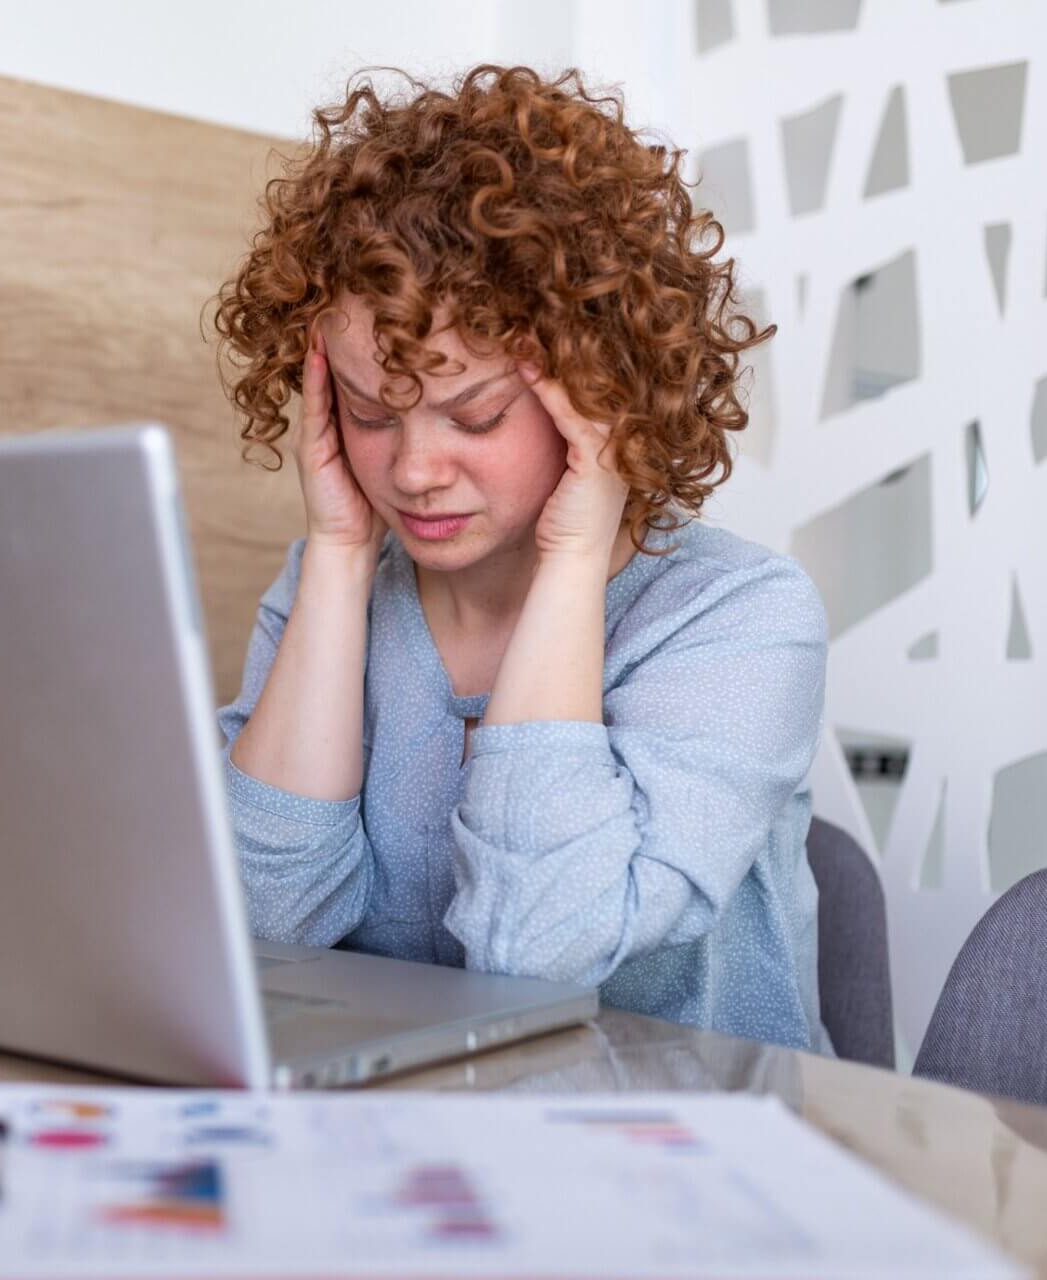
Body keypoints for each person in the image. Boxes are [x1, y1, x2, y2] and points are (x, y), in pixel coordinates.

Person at [209, 64, 831, 1051]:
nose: (414, 470)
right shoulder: (333, 597)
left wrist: (576, 557)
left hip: (679, 1163)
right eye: (371, 413)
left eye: (477, 414)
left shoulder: (743, 617)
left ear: (602, 385)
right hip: (411, 1154)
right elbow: (259, 932)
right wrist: (334, 552)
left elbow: (541, 952)